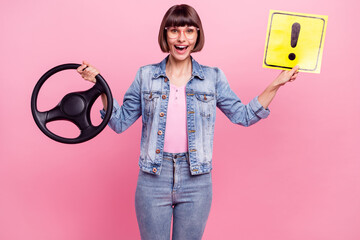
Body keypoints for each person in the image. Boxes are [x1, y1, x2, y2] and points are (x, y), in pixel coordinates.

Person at [77, 4, 299, 240]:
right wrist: (100, 87)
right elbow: (119, 122)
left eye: (189, 30)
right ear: (165, 34)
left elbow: (243, 116)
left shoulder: (212, 77)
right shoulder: (145, 75)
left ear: (197, 35)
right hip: (153, 178)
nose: (181, 38)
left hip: (197, 180)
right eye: (174, 30)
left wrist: (276, 83)